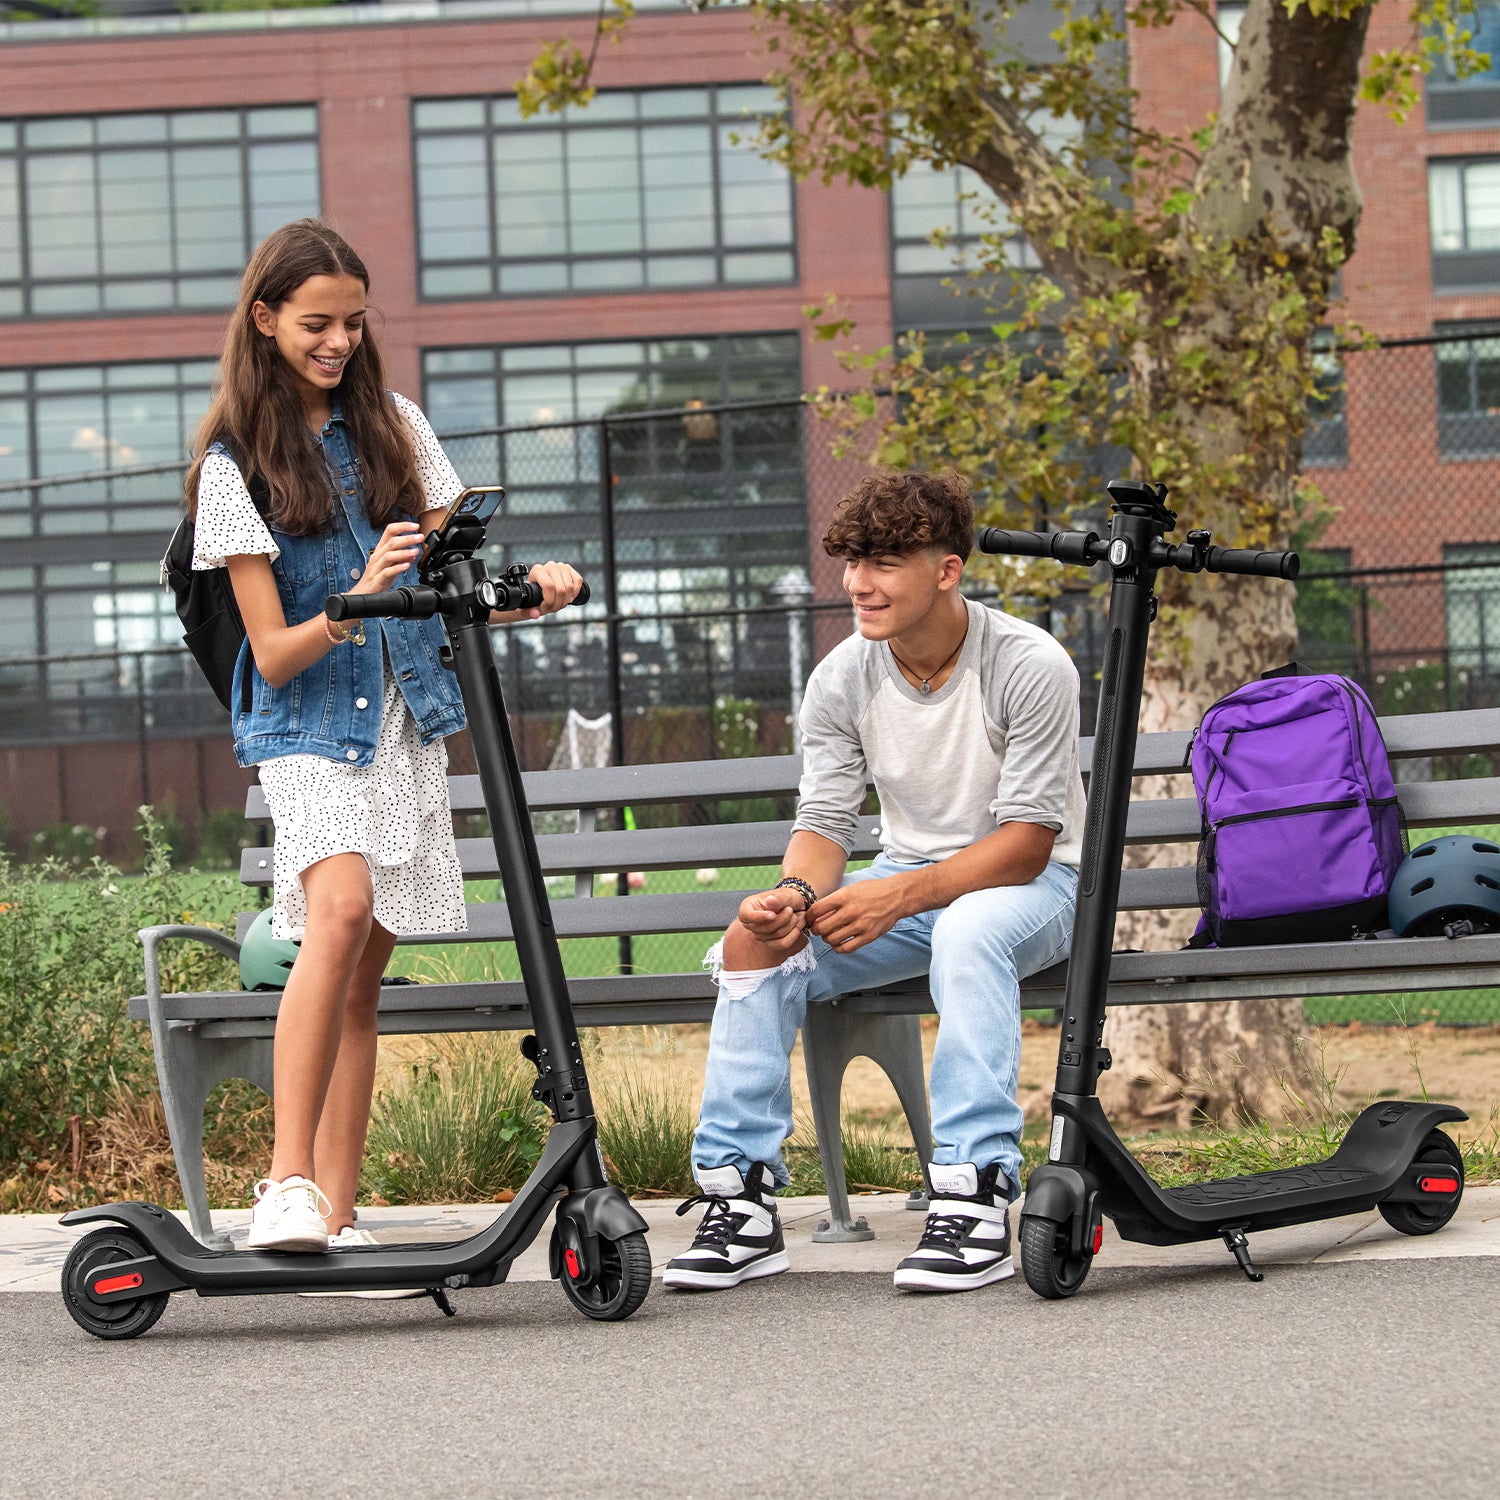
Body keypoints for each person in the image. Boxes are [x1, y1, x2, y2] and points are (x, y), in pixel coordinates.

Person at [186, 219, 582, 1259]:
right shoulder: (235, 465)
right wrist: (359, 601)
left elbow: (453, 572)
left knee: (363, 968)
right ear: (265, 319)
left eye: (354, 323)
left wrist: (529, 587)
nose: (339, 343)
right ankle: (284, 1185)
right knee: (341, 912)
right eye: (317, 323)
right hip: (307, 726)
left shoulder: (395, 424)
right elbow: (270, 653)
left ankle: (340, 1216)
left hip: (407, 724)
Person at [663, 469, 1084, 1294]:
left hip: (1033, 893)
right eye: (853, 561)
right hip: (908, 887)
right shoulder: (842, 676)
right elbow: (823, 828)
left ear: (947, 570)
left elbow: (1028, 845)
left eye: (885, 562)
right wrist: (795, 898)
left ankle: (971, 1193)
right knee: (753, 942)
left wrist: (905, 892)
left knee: (968, 929)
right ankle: (740, 1199)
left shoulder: (1031, 665)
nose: (859, 582)